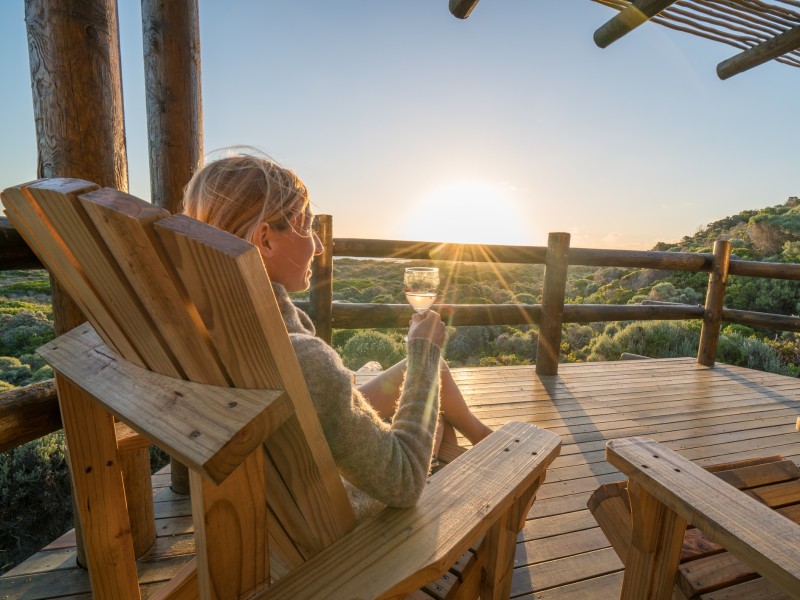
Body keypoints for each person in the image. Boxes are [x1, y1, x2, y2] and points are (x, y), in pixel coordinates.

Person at [181, 151, 492, 515]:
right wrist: (423, 352)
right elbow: (404, 481)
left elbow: (318, 398)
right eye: (308, 226)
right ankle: (489, 449)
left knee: (428, 380)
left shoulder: (204, 317)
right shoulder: (303, 358)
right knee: (428, 382)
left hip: (269, 489)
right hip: (330, 518)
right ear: (266, 240)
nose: (318, 244)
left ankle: (479, 438)